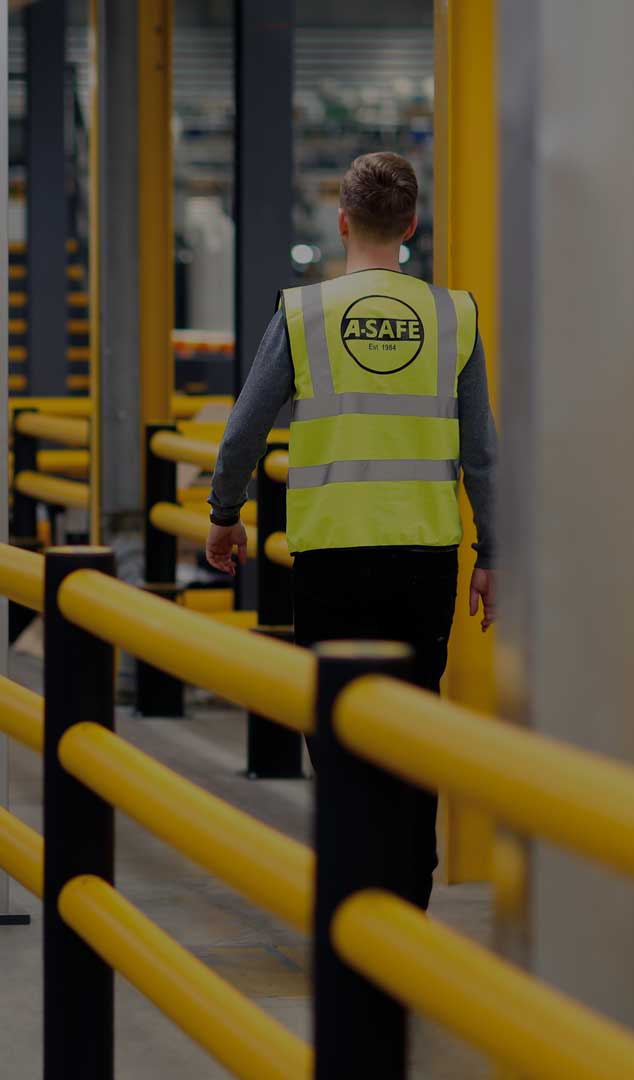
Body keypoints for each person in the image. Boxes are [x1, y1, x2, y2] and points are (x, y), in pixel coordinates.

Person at [202, 151, 498, 911]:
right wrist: (492, 553)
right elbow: (482, 454)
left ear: (341, 222)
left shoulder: (305, 314)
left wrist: (225, 515)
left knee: (337, 736)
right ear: (411, 224)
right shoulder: (454, 315)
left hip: (332, 558)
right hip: (425, 560)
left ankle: (353, 907)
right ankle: (406, 909)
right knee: (414, 733)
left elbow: (243, 431)